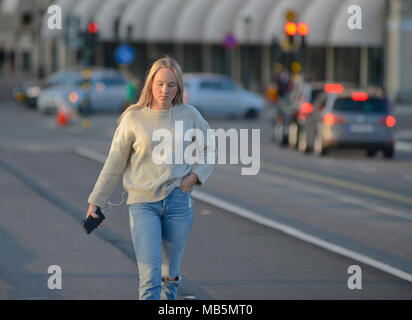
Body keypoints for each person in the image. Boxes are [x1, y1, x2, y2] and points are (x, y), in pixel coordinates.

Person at [85, 57, 215, 300]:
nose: (165, 90)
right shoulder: (133, 118)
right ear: (150, 85)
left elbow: (209, 149)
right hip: (143, 204)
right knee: (150, 277)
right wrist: (96, 201)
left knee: (170, 277)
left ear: (179, 88)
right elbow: (114, 163)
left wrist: (194, 177)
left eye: (171, 85)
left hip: (179, 203)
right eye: (160, 84)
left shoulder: (190, 115)